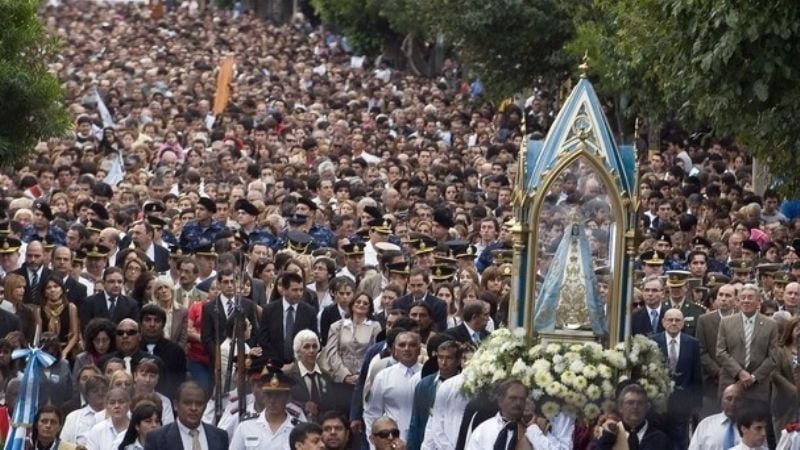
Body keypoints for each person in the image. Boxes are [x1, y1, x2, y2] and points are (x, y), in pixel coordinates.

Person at [716, 283, 778, 403]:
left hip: (758, 387)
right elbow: (720, 352)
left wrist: (753, 377)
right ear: (738, 301)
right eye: (743, 297)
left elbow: (773, 357)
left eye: (750, 297)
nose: (746, 300)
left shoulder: (770, 325)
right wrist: (739, 372)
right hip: (731, 382)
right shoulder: (726, 323)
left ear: (759, 301)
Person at [323, 291, 381, 416]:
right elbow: (331, 352)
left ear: (370, 308)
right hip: (340, 381)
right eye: (358, 302)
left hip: (363, 380)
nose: (361, 305)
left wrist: (361, 375)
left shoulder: (375, 327)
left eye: (365, 303)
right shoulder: (337, 326)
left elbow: (376, 353)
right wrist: (345, 375)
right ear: (352, 305)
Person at [652, 309, 702, 450]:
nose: (674, 323)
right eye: (670, 320)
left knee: (680, 441)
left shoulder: (692, 343)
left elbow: (696, 373)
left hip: (682, 402)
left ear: (683, 323)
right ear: (663, 322)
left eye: (677, 320)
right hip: (659, 403)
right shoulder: (653, 341)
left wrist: (697, 402)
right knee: (659, 439)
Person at [363, 331, 422, 443]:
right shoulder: (383, 376)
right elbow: (372, 412)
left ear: (419, 350)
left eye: (412, 345)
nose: (407, 349)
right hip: (391, 439)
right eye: (402, 345)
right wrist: (375, 444)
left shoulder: (428, 375)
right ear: (395, 349)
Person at [407, 340, 462, 450]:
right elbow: (415, 422)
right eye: (440, 357)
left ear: (458, 361)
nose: (443, 362)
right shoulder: (424, 385)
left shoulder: (465, 387)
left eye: (449, 358)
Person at [230, 366, 300, 450]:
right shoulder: (246, 426)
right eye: (269, 395)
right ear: (264, 396)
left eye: (278, 396)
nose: (272, 400)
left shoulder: (298, 429)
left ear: (286, 397)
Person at [144, 381, 228, 449]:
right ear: (176, 405)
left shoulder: (220, 436)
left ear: (205, 407)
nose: (194, 408)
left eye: (199, 404)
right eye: (187, 403)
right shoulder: (157, 438)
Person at [258, 272, 318, 367]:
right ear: (284, 290)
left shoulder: (309, 312)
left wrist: (295, 364)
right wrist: (278, 363)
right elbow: (264, 340)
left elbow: (313, 339)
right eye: (294, 290)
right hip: (274, 365)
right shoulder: (269, 310)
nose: (299, 294)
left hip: (300, 366)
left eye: (301, 290)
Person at [695, 283, 736, 417]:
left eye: (728, 296)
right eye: (721, 295)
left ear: (736, 299)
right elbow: (701, 350)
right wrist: (718, 372)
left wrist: (734, 372)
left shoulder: (743, 319)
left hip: (737, 380)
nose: (723, 299)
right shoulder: (704, 320)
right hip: (711, 383)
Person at [593, 384, 671, 450]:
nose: (635, 407)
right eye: (630, 402)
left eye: (640, 403)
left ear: (647, 407)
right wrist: (608, 439)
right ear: (620, 407)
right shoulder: (608, 434)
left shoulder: (660, 439)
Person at [138, 304, 187, 400]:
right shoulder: (134, 348)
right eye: (147, 320)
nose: (152, 324)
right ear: (140, 324)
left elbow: (178, 383)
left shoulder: (176, 351)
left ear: (163, 325)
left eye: (157, 321)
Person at [287, 330, 333, 423]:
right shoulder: (289, 375)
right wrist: (303, 406)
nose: (311, 351)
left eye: (314, 346)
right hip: (297, 424)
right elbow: (285, 402)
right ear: (298, 351)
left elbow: (331, 405)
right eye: (306, 347)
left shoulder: (326, 376)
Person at [688, 383, 742, 450]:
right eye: (729, 399)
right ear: (721, 401)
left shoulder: (751, 428)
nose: (732, 403)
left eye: (738, 399)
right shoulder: (706, 425)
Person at [61, 374, 110, 447]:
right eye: (95, 391)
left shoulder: (115, 417)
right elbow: (64, 445)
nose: (100, 393)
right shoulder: (73, 417)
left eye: (104, 390)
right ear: (87, 395)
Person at [39, 275, 80, 359]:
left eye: (56, 286)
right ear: (45, 292)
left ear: (61, 290)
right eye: (48, 288)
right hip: (45, 352)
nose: (52, 290)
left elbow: (75, 335)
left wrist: (64, 353)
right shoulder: (39, 310)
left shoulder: (71, 308)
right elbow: (38, 335)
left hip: (66, 350)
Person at [131, 358, 174, 425]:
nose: (148, 380)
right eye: (144, 375)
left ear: (157, 379)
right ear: (135, 376)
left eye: (152, 376)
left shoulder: (164, 401)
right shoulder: (127, 398)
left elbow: (168, 426)